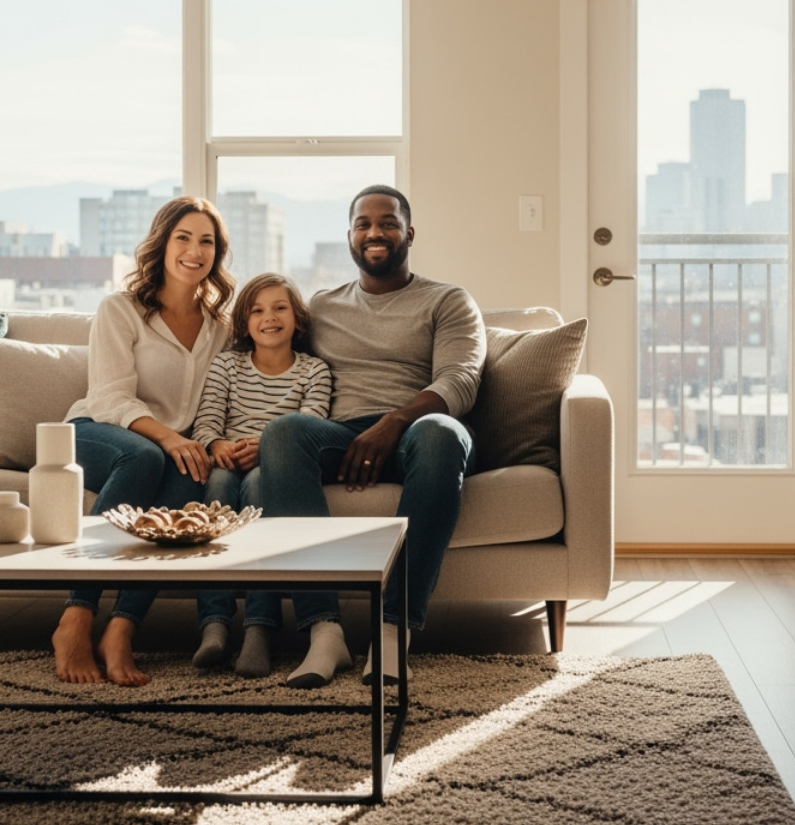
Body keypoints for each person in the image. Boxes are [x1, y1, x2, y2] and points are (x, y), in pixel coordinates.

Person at [256, 184, 484, 688]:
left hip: (418, 433)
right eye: (364, 224)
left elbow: (460, 381)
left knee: (443, 434)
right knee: (283, 433)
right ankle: (324, 630)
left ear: (409, 233)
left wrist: (394, 422)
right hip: (343, 435)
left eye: (387, 222)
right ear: (350, 236)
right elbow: (278, 361)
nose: (375, 232)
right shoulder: (324, 305)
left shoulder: (447, 300)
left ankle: (392, 630)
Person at [52, 196, 236, 687]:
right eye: (183, 237)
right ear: (162, 242)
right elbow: (110, 397)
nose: (195, 251)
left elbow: (223, 398)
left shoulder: (222, 328)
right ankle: (76, 616)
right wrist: (170, 437)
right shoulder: (120, 309)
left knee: (188, 480)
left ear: (217, 254)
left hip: (170, 448)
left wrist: (210, 441)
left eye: (207, 242)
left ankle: (122, 628)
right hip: (98, 431)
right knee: (145, 458)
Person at [189, 272, 333, 675]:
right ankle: (214, 623)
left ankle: (259, 628)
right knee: (216, 487)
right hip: (226, 460)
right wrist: (216, 446)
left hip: (272, 464)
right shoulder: (227, 365)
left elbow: (311, 426)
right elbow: (206, 425)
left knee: (257, 488)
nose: (269, 317)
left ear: (298, 319)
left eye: (279, 308)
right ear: (244, 323)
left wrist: (266, 449)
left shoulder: (314, 371)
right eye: (257, 310)